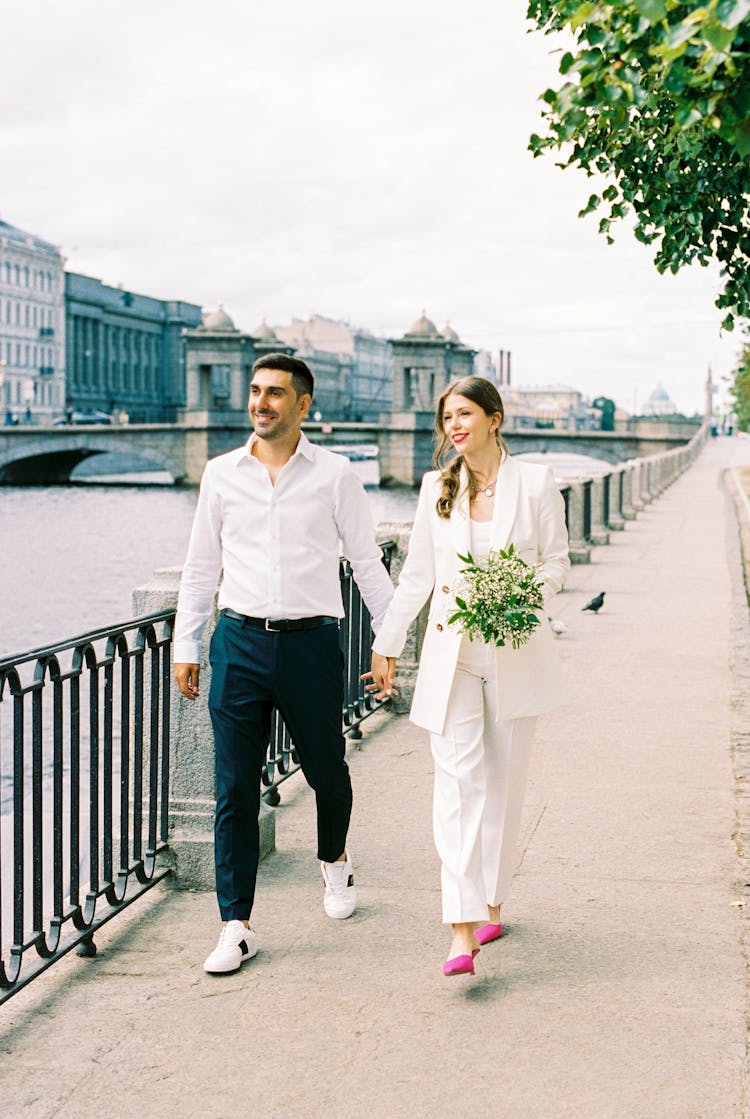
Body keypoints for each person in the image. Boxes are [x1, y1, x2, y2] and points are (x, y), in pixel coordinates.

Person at [173, 353, 394, 975]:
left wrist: (389, 638)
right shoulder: (221, 474)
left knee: (326, 767)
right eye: (254, 390)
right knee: (235, 787)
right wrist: (186, 645)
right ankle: (235, 924)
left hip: (311, 644)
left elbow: (367, 564)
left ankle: (334, 860)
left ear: (303, 405)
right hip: (238, 643)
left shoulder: (335, 475)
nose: (260, 402)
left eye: (275, 394)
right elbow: (200, 569)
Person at [366, 376, 570, 977]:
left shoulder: (534, 482)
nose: (453, 426)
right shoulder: (437, 487)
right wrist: (387, 642)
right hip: (450, 658)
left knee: (503, 786)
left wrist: (526, 594)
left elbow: (557, 559)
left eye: (464, 414)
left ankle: (493, 902)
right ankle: (460, 930)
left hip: (514, 650)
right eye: (446, 417)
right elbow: (417, 577)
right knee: (456, 787)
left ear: (494, 418)